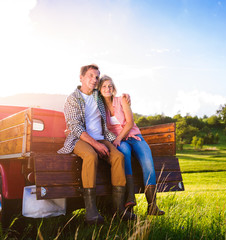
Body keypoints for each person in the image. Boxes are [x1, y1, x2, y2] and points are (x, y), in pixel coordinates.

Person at [58, 64, 136, 224]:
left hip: (102, 137)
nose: (94, 79)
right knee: (91, 155)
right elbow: (75, 127)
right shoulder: (72, 98)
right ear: (81, 78)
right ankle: (91, 211)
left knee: (118, 157)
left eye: (97, 77)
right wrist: (97, 145)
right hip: (80, 139)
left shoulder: (97, 96)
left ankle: (119, 209)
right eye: (91, 76)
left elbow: (111, 97)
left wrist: (125, 97)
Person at [98, 74, 165, 216]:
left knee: (148, 162)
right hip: (119, 140)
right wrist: (117, 140)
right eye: (104, 86)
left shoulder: (122, 100)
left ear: (113, 88)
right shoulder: (100, 106)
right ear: (100, 89)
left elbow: (129, 122)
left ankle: (152, 205)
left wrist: (118, 138)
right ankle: (130, 197)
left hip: (134, 136)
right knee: (124, 154)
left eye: (110, 86)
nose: (107, 88)